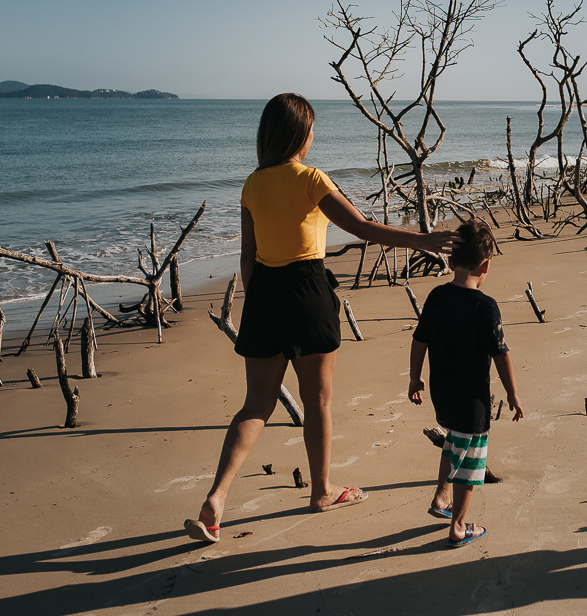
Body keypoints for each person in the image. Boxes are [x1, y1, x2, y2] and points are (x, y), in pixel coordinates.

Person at [185, 93, 458, 543]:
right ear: (300, 134)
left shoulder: (252, 184)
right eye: (311, 129)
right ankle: (322, 491)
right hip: (307, 291)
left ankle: (215, 499)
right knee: (318, 403)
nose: (314, 136)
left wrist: (261, 305)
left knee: (256, 405)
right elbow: (363, 229)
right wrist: (424, 240)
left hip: (265, 295)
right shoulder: (311, 178)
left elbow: (247, 258)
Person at [407, 219, 523, 548]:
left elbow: (419, 342)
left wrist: (415, 378)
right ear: (485, 265)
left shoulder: (436, 296)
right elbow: (501, 354)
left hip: (441, 395)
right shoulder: (485, 306)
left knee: (452, 443)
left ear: (451, 262)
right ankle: (458, 526)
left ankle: (441, 499)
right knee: (471, 462)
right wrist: (513, 395)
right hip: (473, 401)